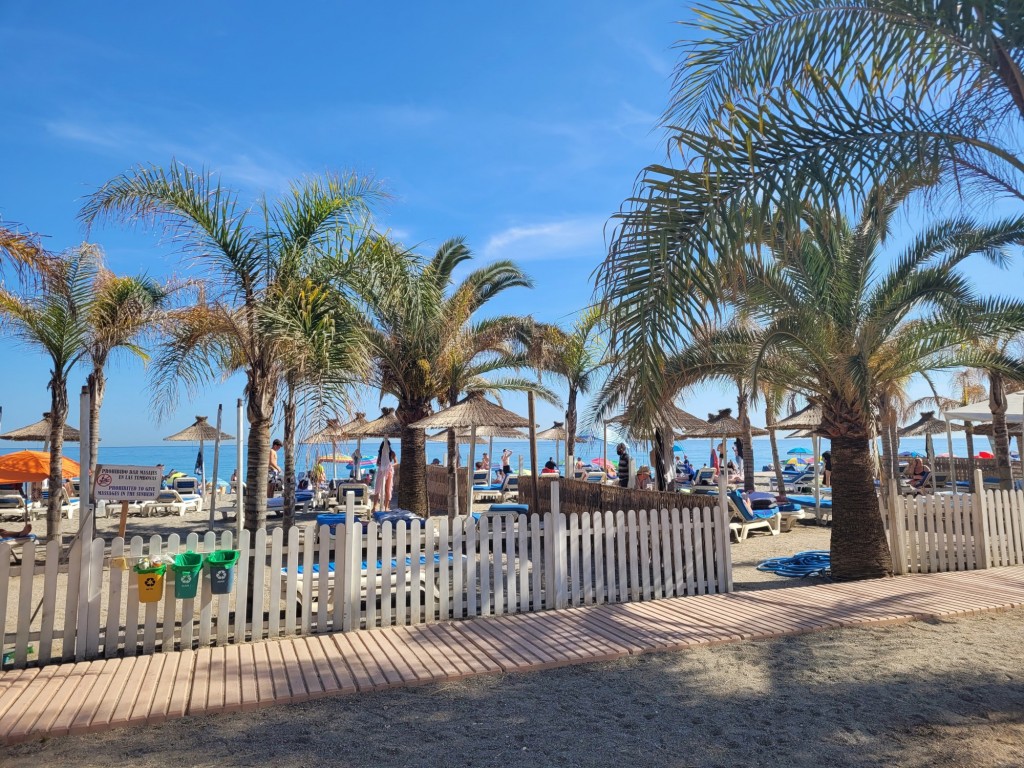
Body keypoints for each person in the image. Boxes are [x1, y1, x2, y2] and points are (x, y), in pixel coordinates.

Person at [373, 439, 394, 512]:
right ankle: (374, 507)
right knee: (377, 488)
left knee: (387, 489)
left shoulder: (392, 453)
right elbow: (377, 463)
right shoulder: (380, 454)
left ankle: (386, 507)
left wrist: (390, 465)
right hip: (381, 470)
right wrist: (381, 464)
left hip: (389, 470)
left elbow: (396, 462)